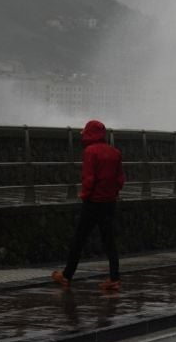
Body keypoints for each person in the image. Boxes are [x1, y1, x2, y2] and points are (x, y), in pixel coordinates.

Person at [52, 119, 125, 291]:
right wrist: (112, 193)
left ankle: (66, 276)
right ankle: (114, 278)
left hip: (93, 203)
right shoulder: (115, 152)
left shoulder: (90, 152)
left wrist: (84, 195)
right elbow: (120, 179)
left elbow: (89, 178)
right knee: (110, 242)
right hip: (109, 203)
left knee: (79, 240)